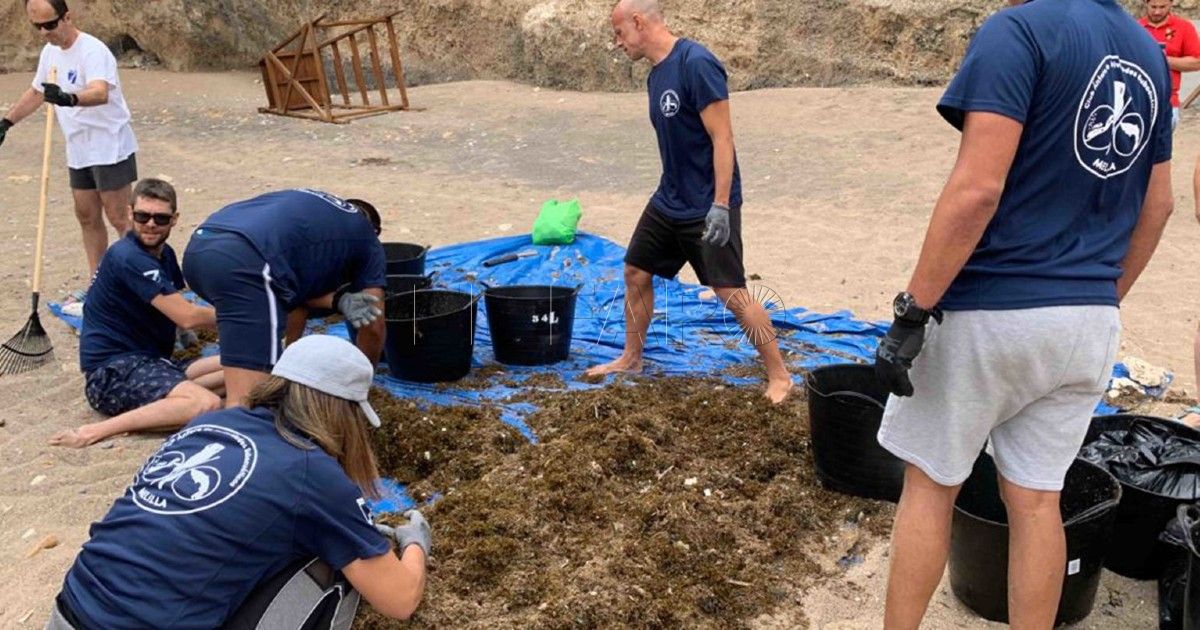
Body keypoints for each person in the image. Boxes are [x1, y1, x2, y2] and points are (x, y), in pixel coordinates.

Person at [872, 0, 1174, 627]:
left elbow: (978, 188)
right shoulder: (1147, 53)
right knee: (1038, 503)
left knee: (930, 484)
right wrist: (1101, 298)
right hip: (1087, 322)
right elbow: (1159, 204)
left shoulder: (1019, 31)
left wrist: (914, 310)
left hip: (990, 310)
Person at [46, 335, 428, 629]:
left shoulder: (211, 422)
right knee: (333, 563)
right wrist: (415, 544)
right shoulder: (311, 472)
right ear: (343, 414)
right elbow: (400, 600)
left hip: (70, 609)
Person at [588, 0, 793, 404]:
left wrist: (720, 204)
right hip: (670, 199)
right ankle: (631, 358)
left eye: (618, 33)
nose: (616, 43)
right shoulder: (655, 75)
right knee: (635, 271)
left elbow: (724, 138)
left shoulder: (696, 63)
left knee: (730, 292)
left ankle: (780, 375)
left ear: (638, 22)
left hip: (708, 203)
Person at [50, 178, 223, 449]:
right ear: (130, 214)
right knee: (206, 404)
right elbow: (187, 316)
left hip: (153, 363)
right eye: (143, 216)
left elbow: (180, 303)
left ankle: (170, 403)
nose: (151, 224)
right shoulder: (128, 256)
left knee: (244, 365)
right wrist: (242, 317)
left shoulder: (165, 255)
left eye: (160, 218)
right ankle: (95, 431)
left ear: (174, 219)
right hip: (113, 372)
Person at [183, 189, 387, 407]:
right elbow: (373, 324)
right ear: (375, 230)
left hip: (199, 251)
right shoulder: (366, 238)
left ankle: (183, 388)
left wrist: (290, 360)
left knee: (259, 362)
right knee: (252, 400)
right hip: (248, 264)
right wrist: (363, 383)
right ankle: (226, 429)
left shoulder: (317, 214)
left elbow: (295, 301)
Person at [1, 0, 139, 302]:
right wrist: (7, 122)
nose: (44, 32)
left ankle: (142, 280)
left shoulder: (93, 50)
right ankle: (99, 283)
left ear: (67, 17)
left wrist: (68, 98)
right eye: (37, 26)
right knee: (87, 216)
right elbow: (37, 91)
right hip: (79, 147)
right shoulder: (50, 53)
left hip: (108, 144)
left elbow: (100, 92)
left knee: (119, 218)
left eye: (49, 25)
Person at [1140, 0, 1200, 129]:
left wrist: (1161, 60)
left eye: (1162, 7)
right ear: (1145, 3)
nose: (1157, 11)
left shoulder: (1184, 27)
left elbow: (1197, 62)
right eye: (1153, 7)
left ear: (1171, 4)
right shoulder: (1134, 27)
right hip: (1138, 100)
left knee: (1162, 147)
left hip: (1168, 101)